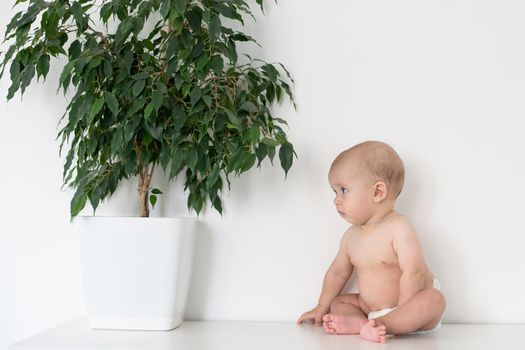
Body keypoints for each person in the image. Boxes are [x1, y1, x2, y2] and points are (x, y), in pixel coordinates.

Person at [297, 141, 445, 343]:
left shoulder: (399, 227)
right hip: (370, 308)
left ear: (377, 192)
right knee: (339, 302)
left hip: (409, 305)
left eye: (343, 190)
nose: (336, 200)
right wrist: (321, 307)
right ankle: (362, 324)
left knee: (435, 300)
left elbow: (414, 271)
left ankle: (387, 324)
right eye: (335, 192)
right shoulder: (351, 237)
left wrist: (401, 310)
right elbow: (337, 272)